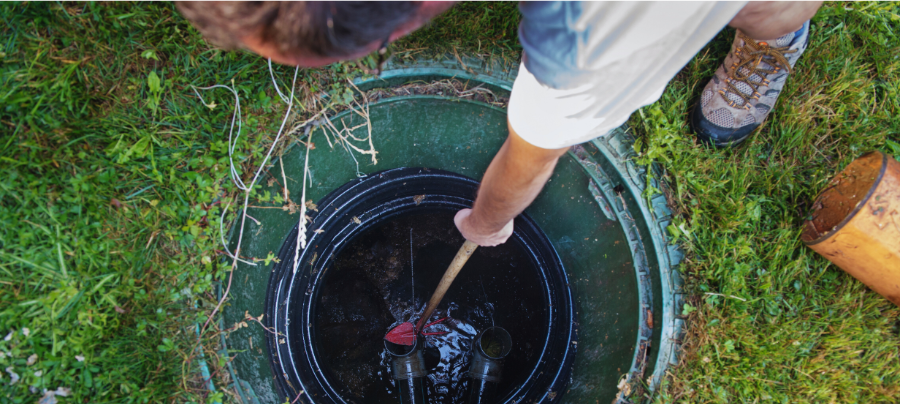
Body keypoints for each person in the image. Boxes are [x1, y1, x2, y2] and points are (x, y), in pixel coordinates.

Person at [177, 1, 822, 247]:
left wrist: (485, 222)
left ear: (406, 22)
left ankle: (776, 32)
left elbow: (535, 154)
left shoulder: (585, 34)